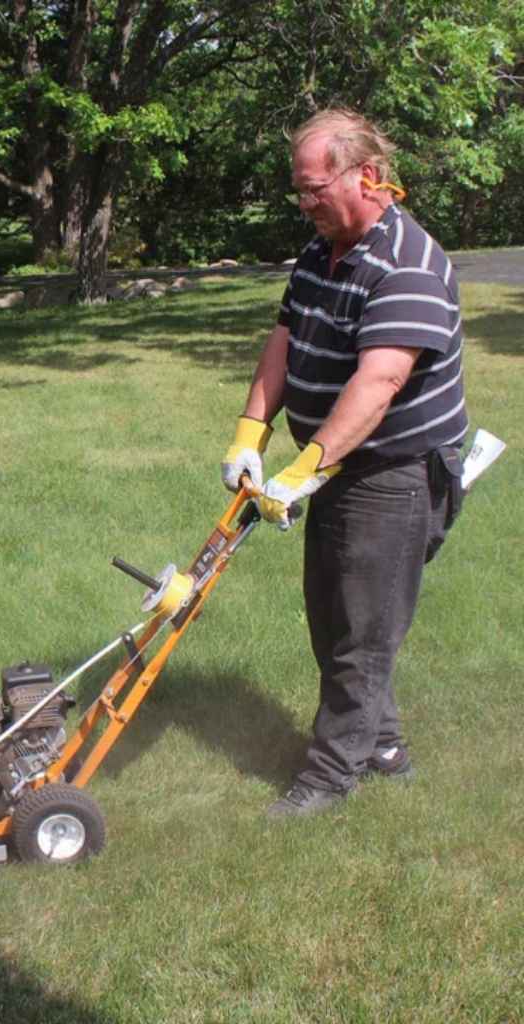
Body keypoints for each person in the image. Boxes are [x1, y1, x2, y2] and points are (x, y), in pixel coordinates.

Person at [221, 108, 468, 818]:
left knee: (364, 632)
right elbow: (286, 338)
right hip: (335, 463)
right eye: (297, 191)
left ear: (365, 175)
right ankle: (384, 747)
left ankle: (328, 779)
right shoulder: (318, 252)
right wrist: (250, 434)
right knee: (333, 617)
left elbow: (380, 382)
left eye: (313, 189)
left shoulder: (412, 264)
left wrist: (306, 468)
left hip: (394, 470)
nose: (305, 204)